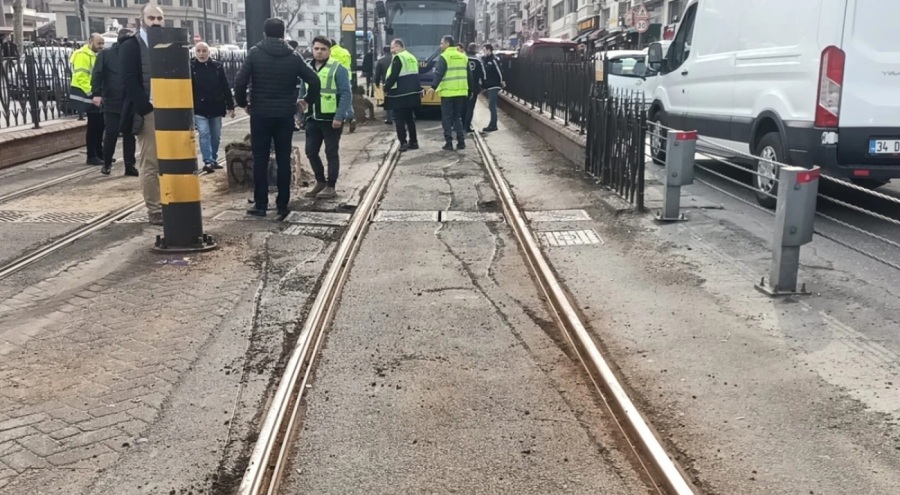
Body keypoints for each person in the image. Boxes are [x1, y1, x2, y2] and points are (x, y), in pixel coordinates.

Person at [234, 18, 321, 221]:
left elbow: (240, 82)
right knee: (283, 160)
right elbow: (314, 80)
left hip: (260, 115)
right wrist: (306, 101)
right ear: (283, 34)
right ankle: (282, 205)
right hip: (284, 115)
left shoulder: (255, 53)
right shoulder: (293, 56)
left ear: (265, 33)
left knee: (260, 160)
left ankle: (261, 204)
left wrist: (244, 103)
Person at [120, 3, 165, 225]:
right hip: (148, 112)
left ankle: (167, 202)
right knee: (151, 162)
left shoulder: (167, 42)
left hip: (169, 111)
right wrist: (145, 107)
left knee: (170, 161)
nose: (156, 22)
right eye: (151, 18)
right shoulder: (132, 46)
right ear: (142, 20)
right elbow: (129, 79)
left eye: (159, 18)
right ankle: (155, 210)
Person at [303, 36, 352, 199]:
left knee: (331, 152)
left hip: (331, 120)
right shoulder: (307, 68)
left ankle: (331, 186)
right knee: (310, 151)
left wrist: (339, 116)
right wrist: (300, 114)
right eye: (316, 48)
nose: (319, 52)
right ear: (312, 49)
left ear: (329, 51)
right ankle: (320, 181)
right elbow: (302, 94)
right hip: (312, 118)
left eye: (323, 49)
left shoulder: (338, 69)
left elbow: (346, 94)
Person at [91, 28, 138, 176]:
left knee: (128, 134)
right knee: (112, 132)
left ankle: (129, 165)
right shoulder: (106, 54)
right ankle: (107, 163)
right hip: (112, 99)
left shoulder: (135, 55)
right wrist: (97, 93)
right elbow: (97, 74)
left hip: (127, 100)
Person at [191, 42, 235, 173]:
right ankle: (208, 161)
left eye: (204, 51)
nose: (201, 54)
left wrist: (230, 105)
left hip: (216, 106)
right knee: (204, 133)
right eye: (198, 51)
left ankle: (213, 159)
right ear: (195, 52)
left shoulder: (217, 66)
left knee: (215, 135)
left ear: (209, 52)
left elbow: (225, 86)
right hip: (199, 107)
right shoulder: (190, 67)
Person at [427, 35, 469, 151]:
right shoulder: (463, 57)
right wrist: (470, 90)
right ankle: (461, 142)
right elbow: (469, 75)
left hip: (447, 93)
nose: (440, 45)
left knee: (446, 118)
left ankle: (449, 143)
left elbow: (439, 73)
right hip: (461, 92)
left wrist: (433, 87)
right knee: (457, 117)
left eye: (441, 43)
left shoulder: (444, 56)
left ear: (447, 44)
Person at [70, 33, 105, 165]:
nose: (101, 46)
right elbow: (81, 76)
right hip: (86, 93)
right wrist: (92, 93)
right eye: (99, 43)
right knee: (94, 125)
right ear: (91, 42)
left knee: (100, 124)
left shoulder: (95, 54)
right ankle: (92, 156)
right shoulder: (82, 55)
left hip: (94, 93)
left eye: (103, 43)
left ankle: (99, 154)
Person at [383, 38, 421, 152]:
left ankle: (403, 142)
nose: (392, 50)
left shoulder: (399, 57)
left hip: (399, 94)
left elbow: (394, 75)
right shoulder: (412, 57)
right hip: (412, 94)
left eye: (393, 47)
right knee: (410, 119)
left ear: (399, 47)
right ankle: (414, 142)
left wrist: (386, 88)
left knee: (399, 119)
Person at [481, 43, 505, 133]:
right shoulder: (486, 60)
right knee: (491, 105)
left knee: (492, 105)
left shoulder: (493, 60)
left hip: (494, 85)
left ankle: (493, 124)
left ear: (489, 50)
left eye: (484, 50)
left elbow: (499, 71)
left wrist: (502, 81)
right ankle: (492, 123)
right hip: (489, 85)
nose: (483, 52)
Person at [464, 42, 485, 133]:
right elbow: (483, 74)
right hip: (474, 86)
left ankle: (461, 124)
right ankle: (467, 126)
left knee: (463, 106)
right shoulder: (478, 59)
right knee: (470, 107)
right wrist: (484, 85)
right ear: (475, 49)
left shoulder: (464, 58)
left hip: (463, 85)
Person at [373, 45, 393, 125]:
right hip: (397, 82)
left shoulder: (381, 60)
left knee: (388, 100)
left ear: (384, 51)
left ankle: (389, 119)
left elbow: (377, 74)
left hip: (386, 82)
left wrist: (377, 83)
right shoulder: (395, 58)